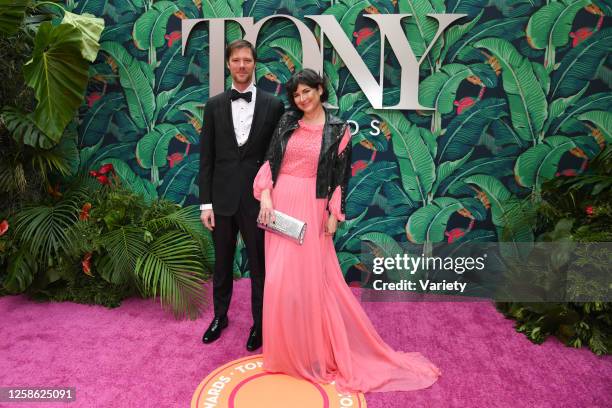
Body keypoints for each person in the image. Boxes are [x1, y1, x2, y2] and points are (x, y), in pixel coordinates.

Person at [253, 69, 441, 393]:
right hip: (280, 206)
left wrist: (333, 215)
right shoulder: (286, 122)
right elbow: (271, 162)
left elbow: (341, 178)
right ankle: (285, 355)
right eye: (297, 95)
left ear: (320, 89)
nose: (302, 99)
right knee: (280, 281)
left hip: (312, 207)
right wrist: (266, 197)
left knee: (312, 282)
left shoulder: (338, 130)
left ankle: (314, 354)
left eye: (307, 92)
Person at [199, 39, 284, 351]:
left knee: (260, 266)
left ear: (255, 63)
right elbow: (206, 158)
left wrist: (270, 196)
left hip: (257, 202)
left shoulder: (274, 106)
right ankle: (220, 317)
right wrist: (205, 203)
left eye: (247, 60)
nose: (242, 66)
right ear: (228, 64)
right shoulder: (213, 105)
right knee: (221, 264)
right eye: (236, 60)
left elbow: (278, 158)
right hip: (220, 200)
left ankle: (260, 324)